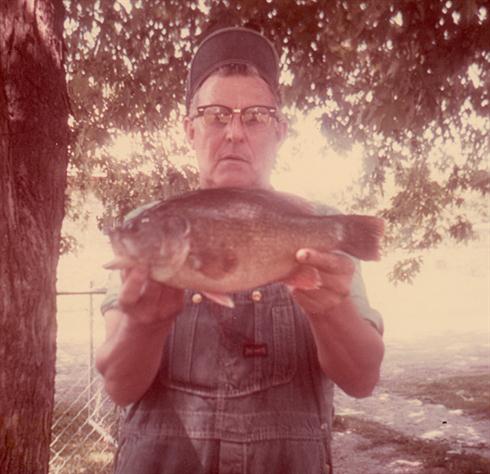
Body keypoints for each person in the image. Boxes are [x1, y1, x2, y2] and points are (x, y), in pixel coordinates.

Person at [96, 26, 384, 474]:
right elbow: (119, 387)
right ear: (190, 129)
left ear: (280, 130)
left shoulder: (317, 223)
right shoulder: (150, 221)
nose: (234, 133)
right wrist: (144, 326)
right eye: (215, 115)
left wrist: (331, 310)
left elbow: (363, 380)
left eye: (254, 117)